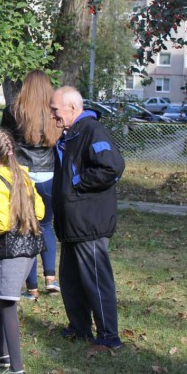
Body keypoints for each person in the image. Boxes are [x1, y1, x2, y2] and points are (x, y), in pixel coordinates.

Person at [49, 85, 125, 350]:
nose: (52, 116)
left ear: (72, 107)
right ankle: (79, 328)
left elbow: (112, 167)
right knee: (70, 280)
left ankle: (109, 337)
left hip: (89, 223)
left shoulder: (92, 130)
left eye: (55, 110)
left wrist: (76, 182)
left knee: (96, 280)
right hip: (72, 224)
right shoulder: (72, 133)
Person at [0, 129, 46, 374]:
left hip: (12, 250)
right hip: (29, 249)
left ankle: (16, 368)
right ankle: (1, 354)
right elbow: (40, 210)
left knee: (6, 303)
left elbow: (2, 223)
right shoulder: (23, 176)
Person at [0, 70, 61, 299]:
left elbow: (4, 139)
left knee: (26, 228)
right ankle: (51, 280)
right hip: (49, 174)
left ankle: (32, 288)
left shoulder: (14, 110)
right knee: (46, 225)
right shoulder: (54, 113)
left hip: (23, 174)